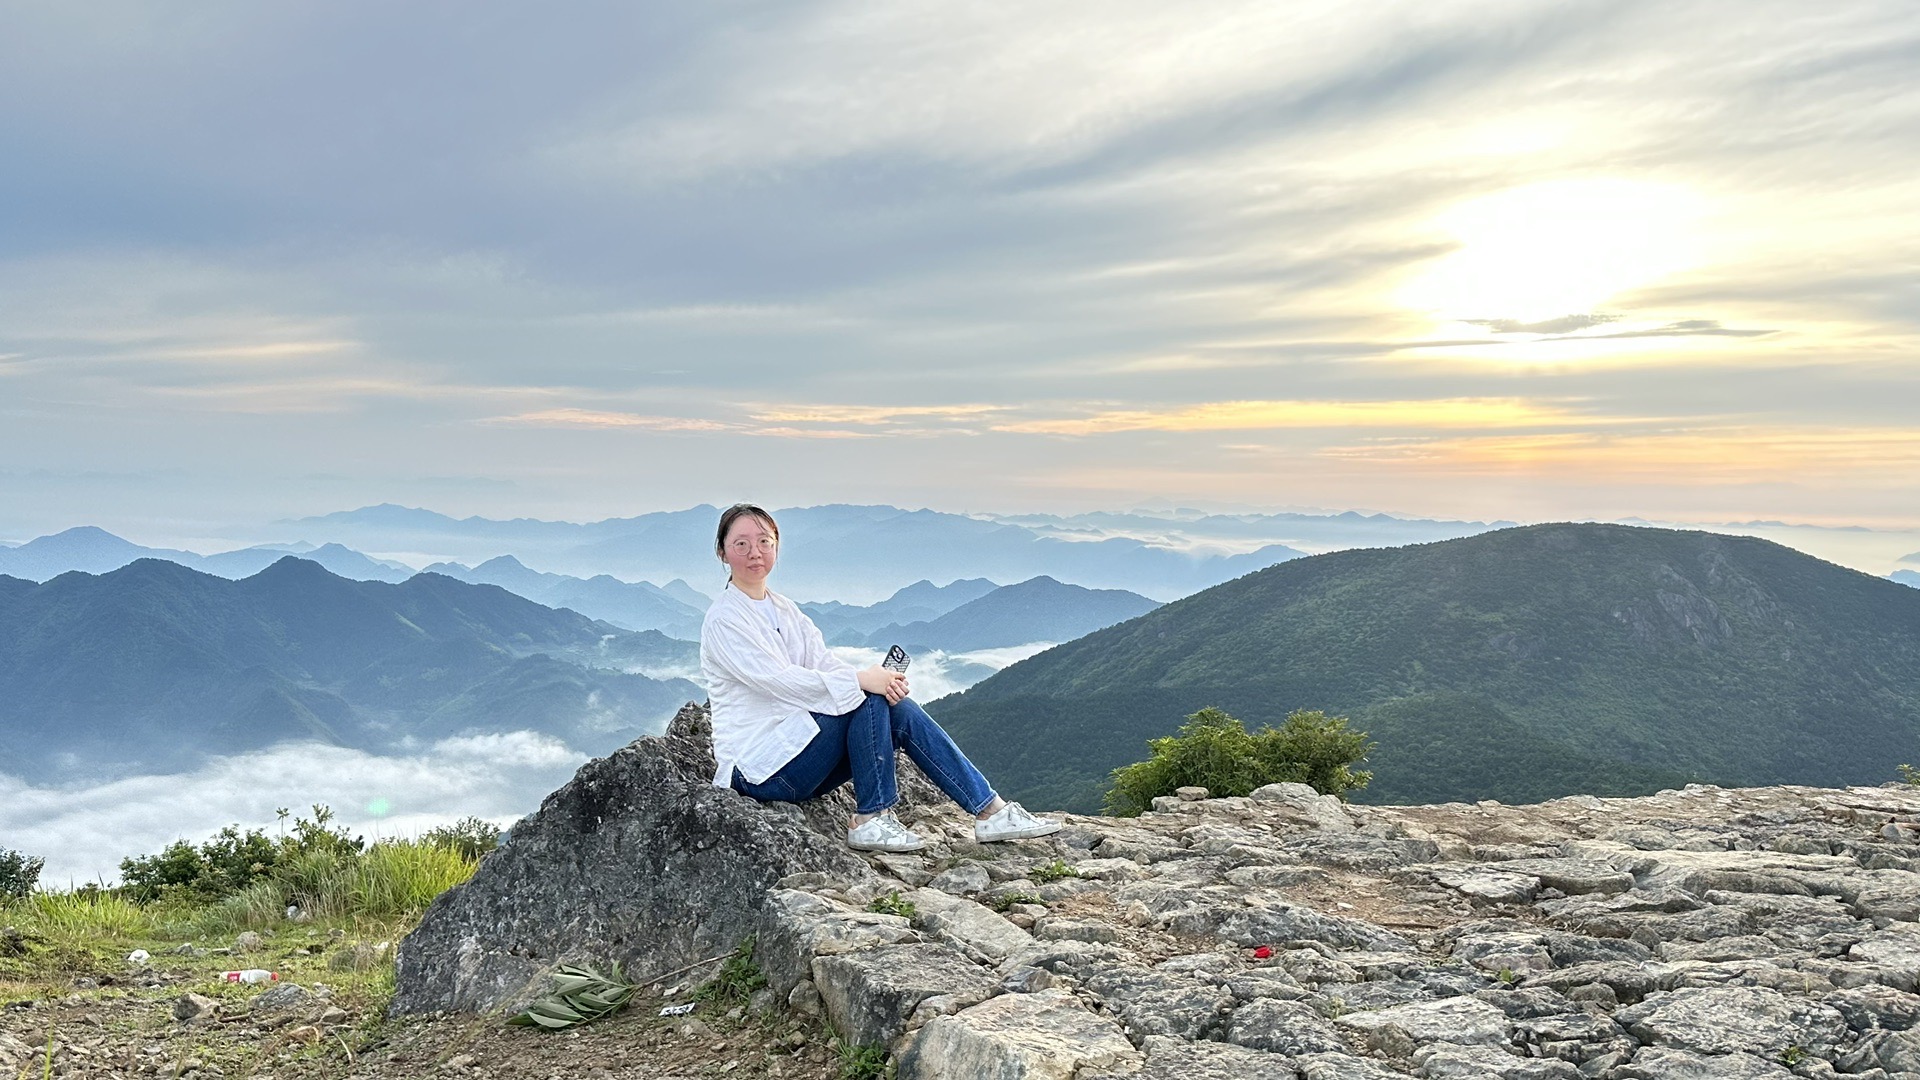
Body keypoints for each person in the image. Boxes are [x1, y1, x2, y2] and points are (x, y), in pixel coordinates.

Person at [699, 503, 1060, 853]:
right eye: (741, 544)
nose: (755, 552)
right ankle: (871, 817)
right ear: (722, 553)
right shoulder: (725, 619)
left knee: (893, 706)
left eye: (764, 541)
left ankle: (989, 810)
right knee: (866, 698)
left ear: (777, 546)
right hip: (758, 768)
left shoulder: (782, 609)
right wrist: (861, 682)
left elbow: (822, 662)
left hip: (799, 749)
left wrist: (879, 680)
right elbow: (779, 681)